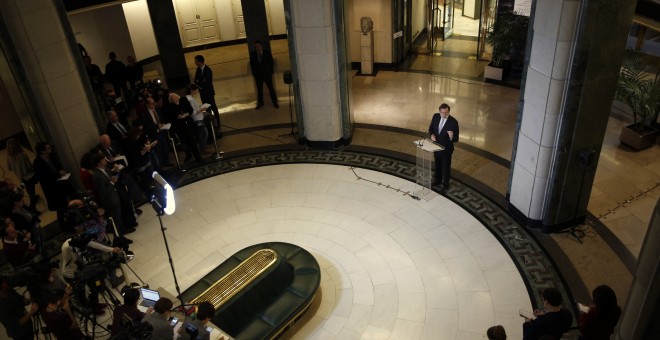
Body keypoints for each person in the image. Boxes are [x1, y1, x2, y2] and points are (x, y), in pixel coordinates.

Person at [33, 142, 73, 230]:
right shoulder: (37, 163)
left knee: (66, 204)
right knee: (60, 208)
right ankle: (64, 226)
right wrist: (58, 174)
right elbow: (44, 178)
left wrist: (62, 172)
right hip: (52, 189)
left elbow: (58, 166)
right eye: (48, 148)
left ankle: (71, 221)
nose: (50, 148)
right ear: (42, 151)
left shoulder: (52, 156)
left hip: (61, 184)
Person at [428, 103, 459, 193]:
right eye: (442, 112)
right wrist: (432, 135)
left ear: (449, 111)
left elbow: (456, 139)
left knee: (446, 167)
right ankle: (437, 180)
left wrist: (451, 136)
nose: (444, 115)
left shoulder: (453, 122)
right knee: (437, 165)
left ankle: (445, 185)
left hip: (446, 150)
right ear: (439, 111)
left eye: (446, 113)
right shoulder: (436, 116)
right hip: (436, 146)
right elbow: (431, 129)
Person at [166, 93, 203, 164]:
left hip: (188, 124)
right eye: (172, 100)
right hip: (179, 127)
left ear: (178, 97)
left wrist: (185, 115)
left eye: (175, 98)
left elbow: (191, 110)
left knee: (192, 141)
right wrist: (177, 117)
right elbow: (170, 118)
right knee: (184, 142)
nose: (174, 100)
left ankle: (198, 157)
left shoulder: (184, 100)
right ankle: (188, 155)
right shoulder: (170, 106)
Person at [6, 138, 39, 211]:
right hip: (29, 176)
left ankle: (33, 199)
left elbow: (9, 168)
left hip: (21, 178)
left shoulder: (9, 157)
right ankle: (33, 208)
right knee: (31, 192)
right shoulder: (23, 154)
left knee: (28, 189)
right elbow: (29, 166)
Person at [249, 40, 279, 109]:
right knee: (259, 90)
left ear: (261, 46)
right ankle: (260, 103)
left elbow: (271, 62)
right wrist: (254, 73)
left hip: (267, 74)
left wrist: (270, 71)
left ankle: (275, 102)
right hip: (258, 75)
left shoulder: (266, 53)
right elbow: (252, 64)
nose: (257, 48)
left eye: (258, 46)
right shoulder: (253, 54)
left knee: (271, 88)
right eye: (256, 46)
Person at [193, 55, 220, 129]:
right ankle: (210, 123)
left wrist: (200, 81)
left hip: (209, 93)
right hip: (203, 93)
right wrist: (201, 81)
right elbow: (195, 80)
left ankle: (217, 123)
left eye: (196, 61)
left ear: (200, 62)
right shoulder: (198, 69)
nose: (195, 63)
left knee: (213, 108)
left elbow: (207, 82)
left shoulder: (208, 70)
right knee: (207, 109)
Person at [186, 84, 210, 152]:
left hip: (199, 118)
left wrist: (200, 108)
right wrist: (202, 110)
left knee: (202, 134)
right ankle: (202, 148)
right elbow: (192, 112)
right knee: (204, 133)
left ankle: (203, 146)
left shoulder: (191, 97)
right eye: (196, 90)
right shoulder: (190, 99)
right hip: (197, 119)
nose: (197, 91)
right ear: (191, 90)